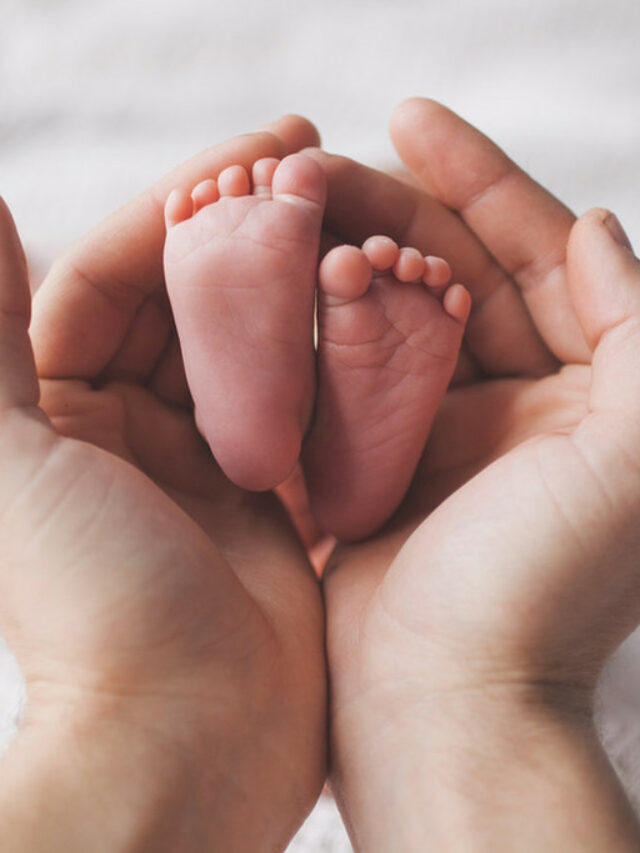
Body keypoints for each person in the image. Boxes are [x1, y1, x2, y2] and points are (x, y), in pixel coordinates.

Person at [0, 100, 638, 851]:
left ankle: (257, 429)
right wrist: (467, 696)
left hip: (188, 533)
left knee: (80, 350)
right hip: (404, 560)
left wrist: (148, 702)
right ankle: (331, 456)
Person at [163, 153, 470, 540]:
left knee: (240, 418)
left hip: (227, 523)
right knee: (407, 231)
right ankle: (349, 484)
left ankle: (239, 425)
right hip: (396, 529)